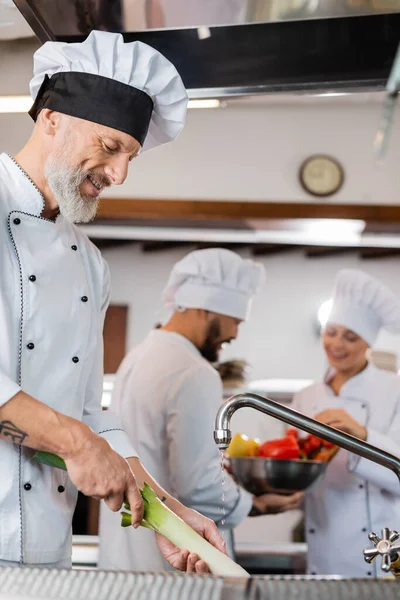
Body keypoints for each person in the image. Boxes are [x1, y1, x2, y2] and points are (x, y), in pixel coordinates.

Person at [0, 30, 225, 571]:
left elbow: (86, 414)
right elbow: (80, 436)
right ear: (51, 119)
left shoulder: (89, 263)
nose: (120, 173)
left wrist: (166, 513)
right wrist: (76, 445)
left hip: (44, 561)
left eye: (131, 155)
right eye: (110, 146)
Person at [98, 248, 304, 571]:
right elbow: (200, 485)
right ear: (208, 308)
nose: (235, 333)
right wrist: (258, 505)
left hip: (121, 556)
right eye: (235, 320)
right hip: (172, 563)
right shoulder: (194, 371)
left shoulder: (137, 356)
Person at [292, 269, 400, 578]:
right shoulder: (306, 397)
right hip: (323, 543)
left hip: (382, 544)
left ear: (368, 343)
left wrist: (362, 435)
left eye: (350, 336)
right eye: (331, 332)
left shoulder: (395, 390)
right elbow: (301, 472)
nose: (337, 344)